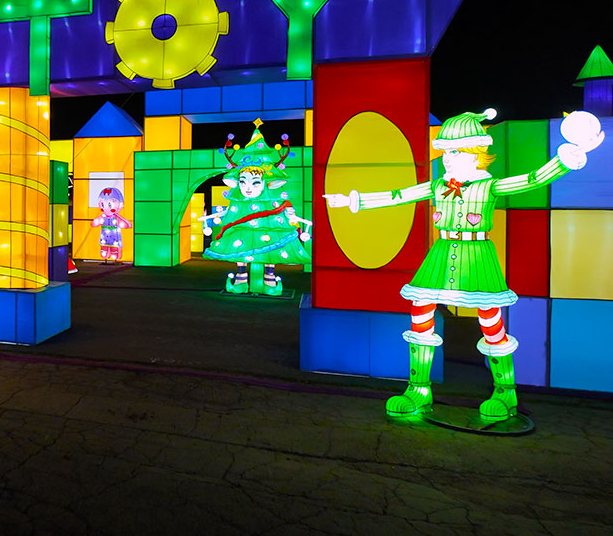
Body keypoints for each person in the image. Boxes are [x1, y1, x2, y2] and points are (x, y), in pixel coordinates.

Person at [325, 109, 605, 421]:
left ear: (475, 153)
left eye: (455, 151)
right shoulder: (439, 186)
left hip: (477, 254)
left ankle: (505, 392)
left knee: (489, 317)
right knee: (421, 306)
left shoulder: (489, 186)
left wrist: (565, 159)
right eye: (445, 151)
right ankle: (418, 388)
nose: (447, 158)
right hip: (442, 252)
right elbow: (400, 195)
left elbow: (530, 180)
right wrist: (355, 201)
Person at [201, 121, 311, 295]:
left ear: (266, 183)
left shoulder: (274, 206)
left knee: (272, 247)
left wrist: (290, 215)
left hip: (267, 225)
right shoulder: (238, 206)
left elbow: (287, 211)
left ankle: (269, 280)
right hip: (242, 225)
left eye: (255, 182)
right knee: (240, 248)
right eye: (243, 182)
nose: (248, 188)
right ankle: (241, 280)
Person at [90, 187, 131, 263]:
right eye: (102, 204)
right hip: (104, 235)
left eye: (109, 204)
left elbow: (125, 224)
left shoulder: (116, 217)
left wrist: (125, 224)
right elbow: (94, 223)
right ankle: (105, 255)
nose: (105, 207)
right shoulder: (103, 216)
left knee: (114, 246)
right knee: (104, 245)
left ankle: (115, 255)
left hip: (114, 235)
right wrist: (95, 222)